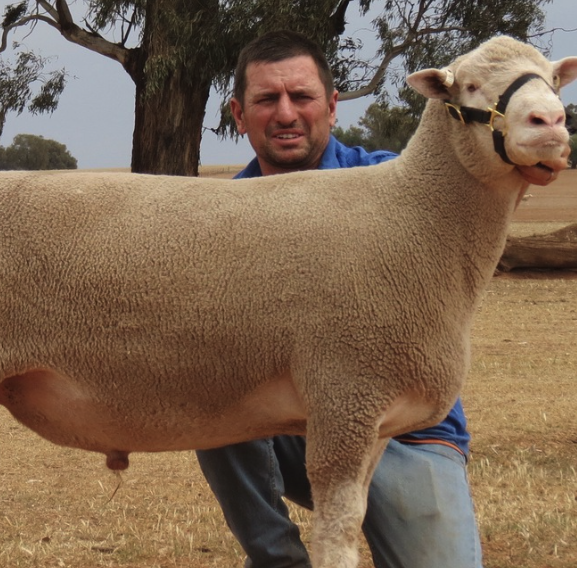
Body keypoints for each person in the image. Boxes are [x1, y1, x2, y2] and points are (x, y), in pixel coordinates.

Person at [195, 30, 484, 568]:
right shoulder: (225, 214)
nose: (285, 113)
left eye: (301, 97)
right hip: (291, 426)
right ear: (238, 113)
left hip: (408, 435)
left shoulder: (398, 185)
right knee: (209, 385)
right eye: (266, 99)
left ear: (330, 106)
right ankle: (279, 559)